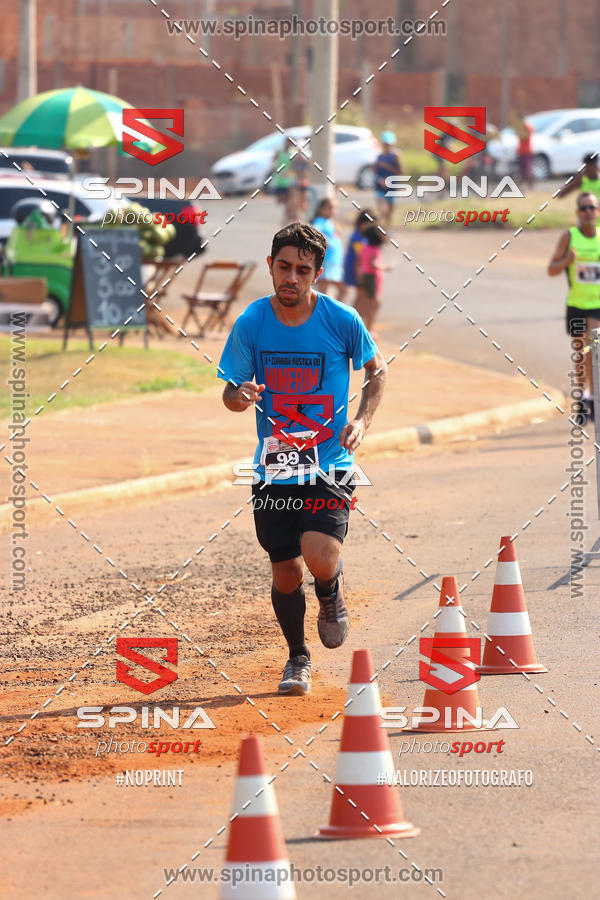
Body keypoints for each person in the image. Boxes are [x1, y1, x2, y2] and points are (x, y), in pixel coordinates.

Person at [218, 222, 387, 695]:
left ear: (317, 274)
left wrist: (362, 421)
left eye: (303, 270)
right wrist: (241, 395)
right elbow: (229, 395)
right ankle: (298, 658)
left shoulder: (342, 320)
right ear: (271, 266)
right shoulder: (252, 322)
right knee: (287, 571)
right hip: (275, 466)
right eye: (284, 267)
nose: (291, 277)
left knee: (319, 556)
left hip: (329, 461)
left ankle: (330, 591)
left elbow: (378, 372)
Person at [548, 192, 600, 422]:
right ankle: (582, 396)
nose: (589, 212)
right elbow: (551, 269)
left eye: (593, 207)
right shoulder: (569, 237)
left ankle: (593, 396)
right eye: (584, 208)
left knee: (594, 349)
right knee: (580, 353)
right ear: (578, 212)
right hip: (576, 304)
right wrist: (567, 261)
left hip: (597, 305)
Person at [358, 224, 393, 335]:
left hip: (367, 277)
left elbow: (361, 262)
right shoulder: (374, 249)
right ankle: (369, 329)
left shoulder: (364, 247)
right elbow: (373, 264)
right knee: (374, 304)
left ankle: (368, 328)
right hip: (371, 278)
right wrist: (385, 267)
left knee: (369, 303)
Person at [343, 208, 376, 319]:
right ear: (363, 223)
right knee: (361, 297)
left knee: (362, 297)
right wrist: (360, 277)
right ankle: (351, 321)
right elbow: (359, 258)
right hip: (356, 270)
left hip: (359, 269)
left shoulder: (361, 236)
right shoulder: (358, 237)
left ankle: (355, 321)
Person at [312, 197, 346, 301]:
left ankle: (332, 311)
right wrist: (325, 240)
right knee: (324, 292)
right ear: (321, 209)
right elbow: (314, 230)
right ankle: (325, 313)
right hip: (327, 262)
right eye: (330, 208)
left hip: (334, 262)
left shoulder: (329, 222)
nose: (333, 211)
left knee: (341, 290)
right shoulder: (320, 221)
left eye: (335, 208)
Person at [374, 131, 402, 232]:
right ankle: (381, 229)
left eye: (388, 144)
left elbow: (400, 172)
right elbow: (375, 170)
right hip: (380, 186)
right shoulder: (379, 156)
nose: (386, 146)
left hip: (392, 187)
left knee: (389, 211)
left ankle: (387, 229)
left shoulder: (395, 157)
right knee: (383, 210)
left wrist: (388, 167)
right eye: (385, 144)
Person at [272, 138, 296, 223]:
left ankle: (288, 217)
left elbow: (294, 165)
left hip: (289, 178)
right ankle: (288, 215)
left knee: (291, 198)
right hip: (280, 178)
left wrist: (290, 172)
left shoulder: (293, 153)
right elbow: (273, 162)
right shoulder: (279, 151)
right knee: (281, 200)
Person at [515, 113, 534, 188]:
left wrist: (519, 132)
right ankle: (521, 186)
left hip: (527, 151)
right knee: (521, 171)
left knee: (527, 170)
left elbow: (525, 137)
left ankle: (530, 186)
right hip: (521, 151)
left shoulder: (527, 127)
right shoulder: (520, 127)